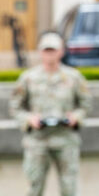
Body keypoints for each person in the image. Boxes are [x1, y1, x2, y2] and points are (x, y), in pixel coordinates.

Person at [8, 31, 92, 196]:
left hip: (65, 139)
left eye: (53, 50)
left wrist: (76, 117)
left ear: (61, 52)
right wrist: (28, 119)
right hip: (37, 141)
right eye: (46, 50)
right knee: (34, 187)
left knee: (70, 187)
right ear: (40, 52)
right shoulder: (28, 78)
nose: (50, 54)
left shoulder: (74, 77)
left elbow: (86, 104)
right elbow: (15, 107)